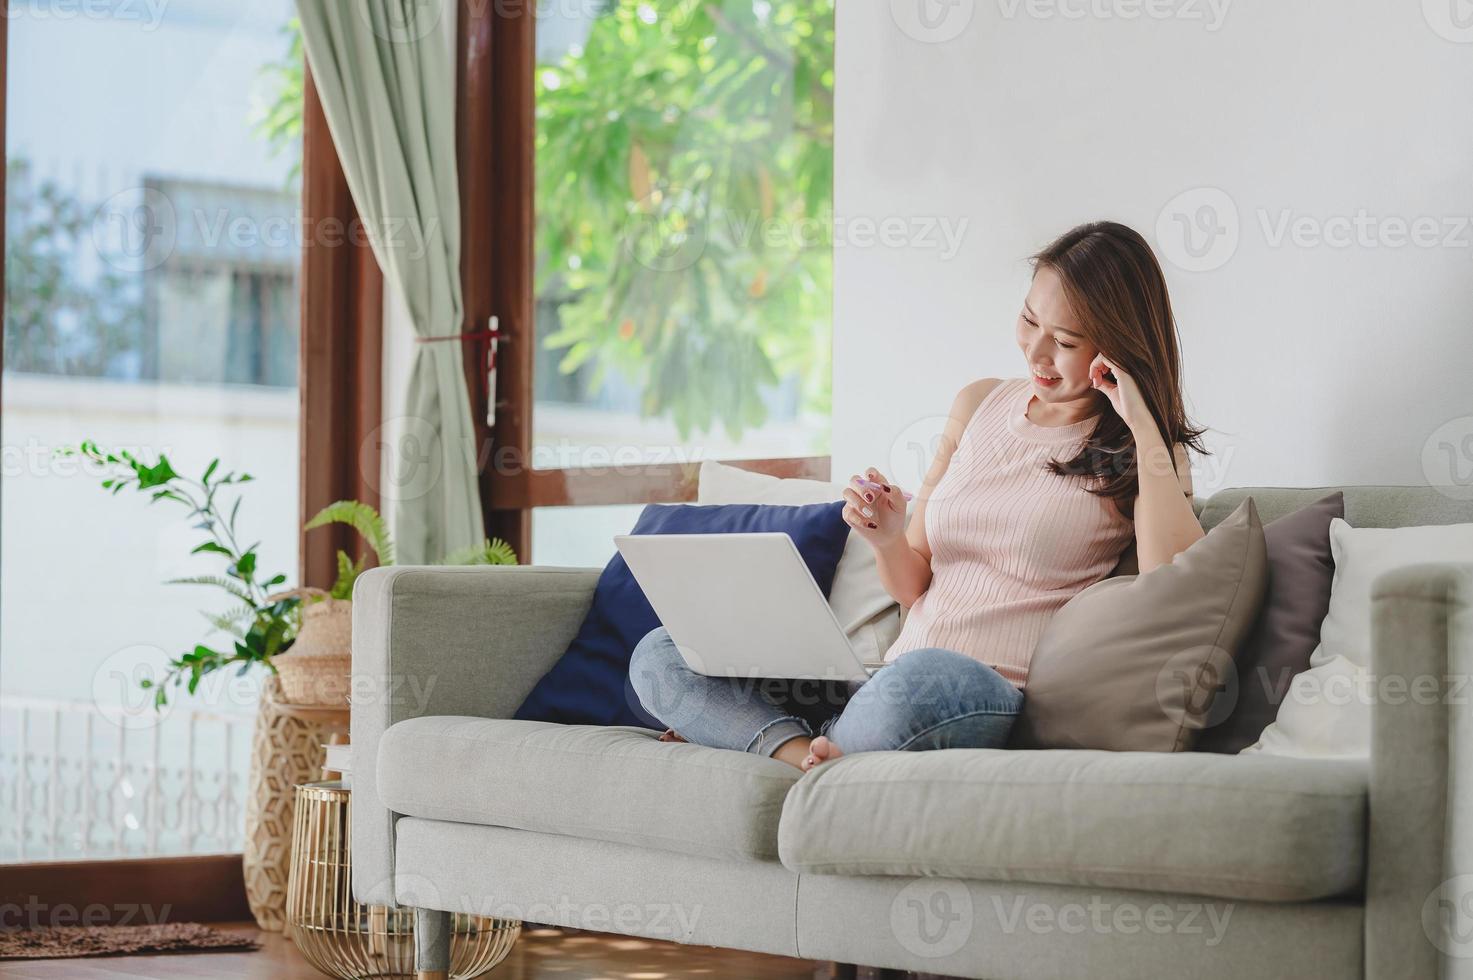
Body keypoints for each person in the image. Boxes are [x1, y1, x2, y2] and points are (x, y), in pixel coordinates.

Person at [630, 220, 1209, 771]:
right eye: (1029, 321)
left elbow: (1172, 581)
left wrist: (1139, 419)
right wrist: (886, 536)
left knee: (920, 678)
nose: (1035, 354)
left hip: (978, 692)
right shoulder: (978, 403)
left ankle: (788, 745)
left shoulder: (1142, 450)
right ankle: (804, 756)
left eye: (1064, 341)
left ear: (1117, 346)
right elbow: (913, 583)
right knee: (663, 652)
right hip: (881, 684)